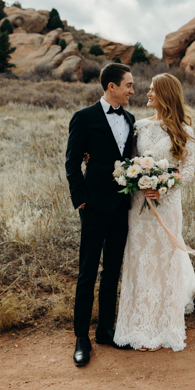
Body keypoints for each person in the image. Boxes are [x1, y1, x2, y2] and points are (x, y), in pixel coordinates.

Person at [114, 73, 195, 352]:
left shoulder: (184, 131)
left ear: (165, 94)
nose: (147, 93)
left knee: (164, 260)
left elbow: (188, 171)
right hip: (138, 208)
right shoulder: (138, 127)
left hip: (167, 205)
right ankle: (139, 326)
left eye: (153, 90)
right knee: (140, 259)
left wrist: (165, 186)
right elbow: (124, 159)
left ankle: (164, 328)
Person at [65, 63, 135, 367]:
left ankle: (106, 331)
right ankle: (81, 337)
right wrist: (80, 200)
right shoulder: (84, 117)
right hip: (93, 207)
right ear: (112, 87)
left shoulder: (130, 119)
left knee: (112, 271)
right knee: (88, 272)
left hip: (121, 207)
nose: (133, 90)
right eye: (129, 85)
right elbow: (72, 163)